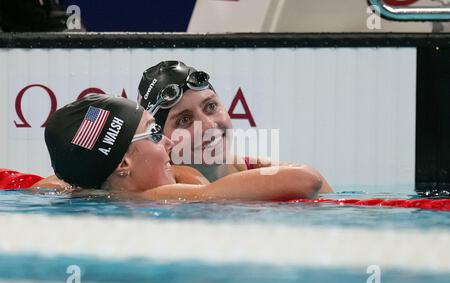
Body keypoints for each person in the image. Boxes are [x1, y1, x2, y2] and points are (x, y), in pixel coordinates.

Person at [43, 93, 324, 201]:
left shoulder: (82, 193)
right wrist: (248, 161)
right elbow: (306, 180)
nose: (165, 140)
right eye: (154, 132)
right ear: (123, 164)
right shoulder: (159, 197)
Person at [137, 60, 333, 192]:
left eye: (211, 106)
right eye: (184, 120)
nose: (208, 125)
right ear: (161, 138)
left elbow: (316, 185)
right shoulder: (153, 194)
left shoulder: (264, 170)